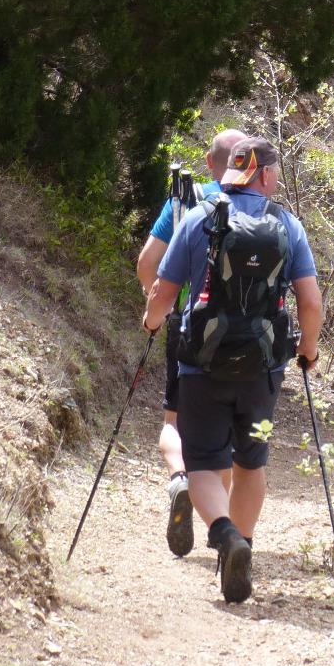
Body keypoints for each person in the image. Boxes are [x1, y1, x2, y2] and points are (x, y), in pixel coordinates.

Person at [142, 136, 322, 603]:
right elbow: (310, 300)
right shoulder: (288, 224)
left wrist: (152, 320)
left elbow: (164, 287)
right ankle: (240, 549)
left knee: (203, 464)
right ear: (264, 174)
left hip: (202, 368)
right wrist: (308, 349)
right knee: (250, 463)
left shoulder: (201, 216)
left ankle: (226, 535)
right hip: (263, 370)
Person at [135, 128, 247, 557]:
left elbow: (149, 263)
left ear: (208, 160)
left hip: (188, 324)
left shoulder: (186, 200)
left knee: (173, 422)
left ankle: (180, 478)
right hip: (243, 336)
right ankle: (223, 525)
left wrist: (161, 311)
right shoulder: (255, 203)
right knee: (227, 438)